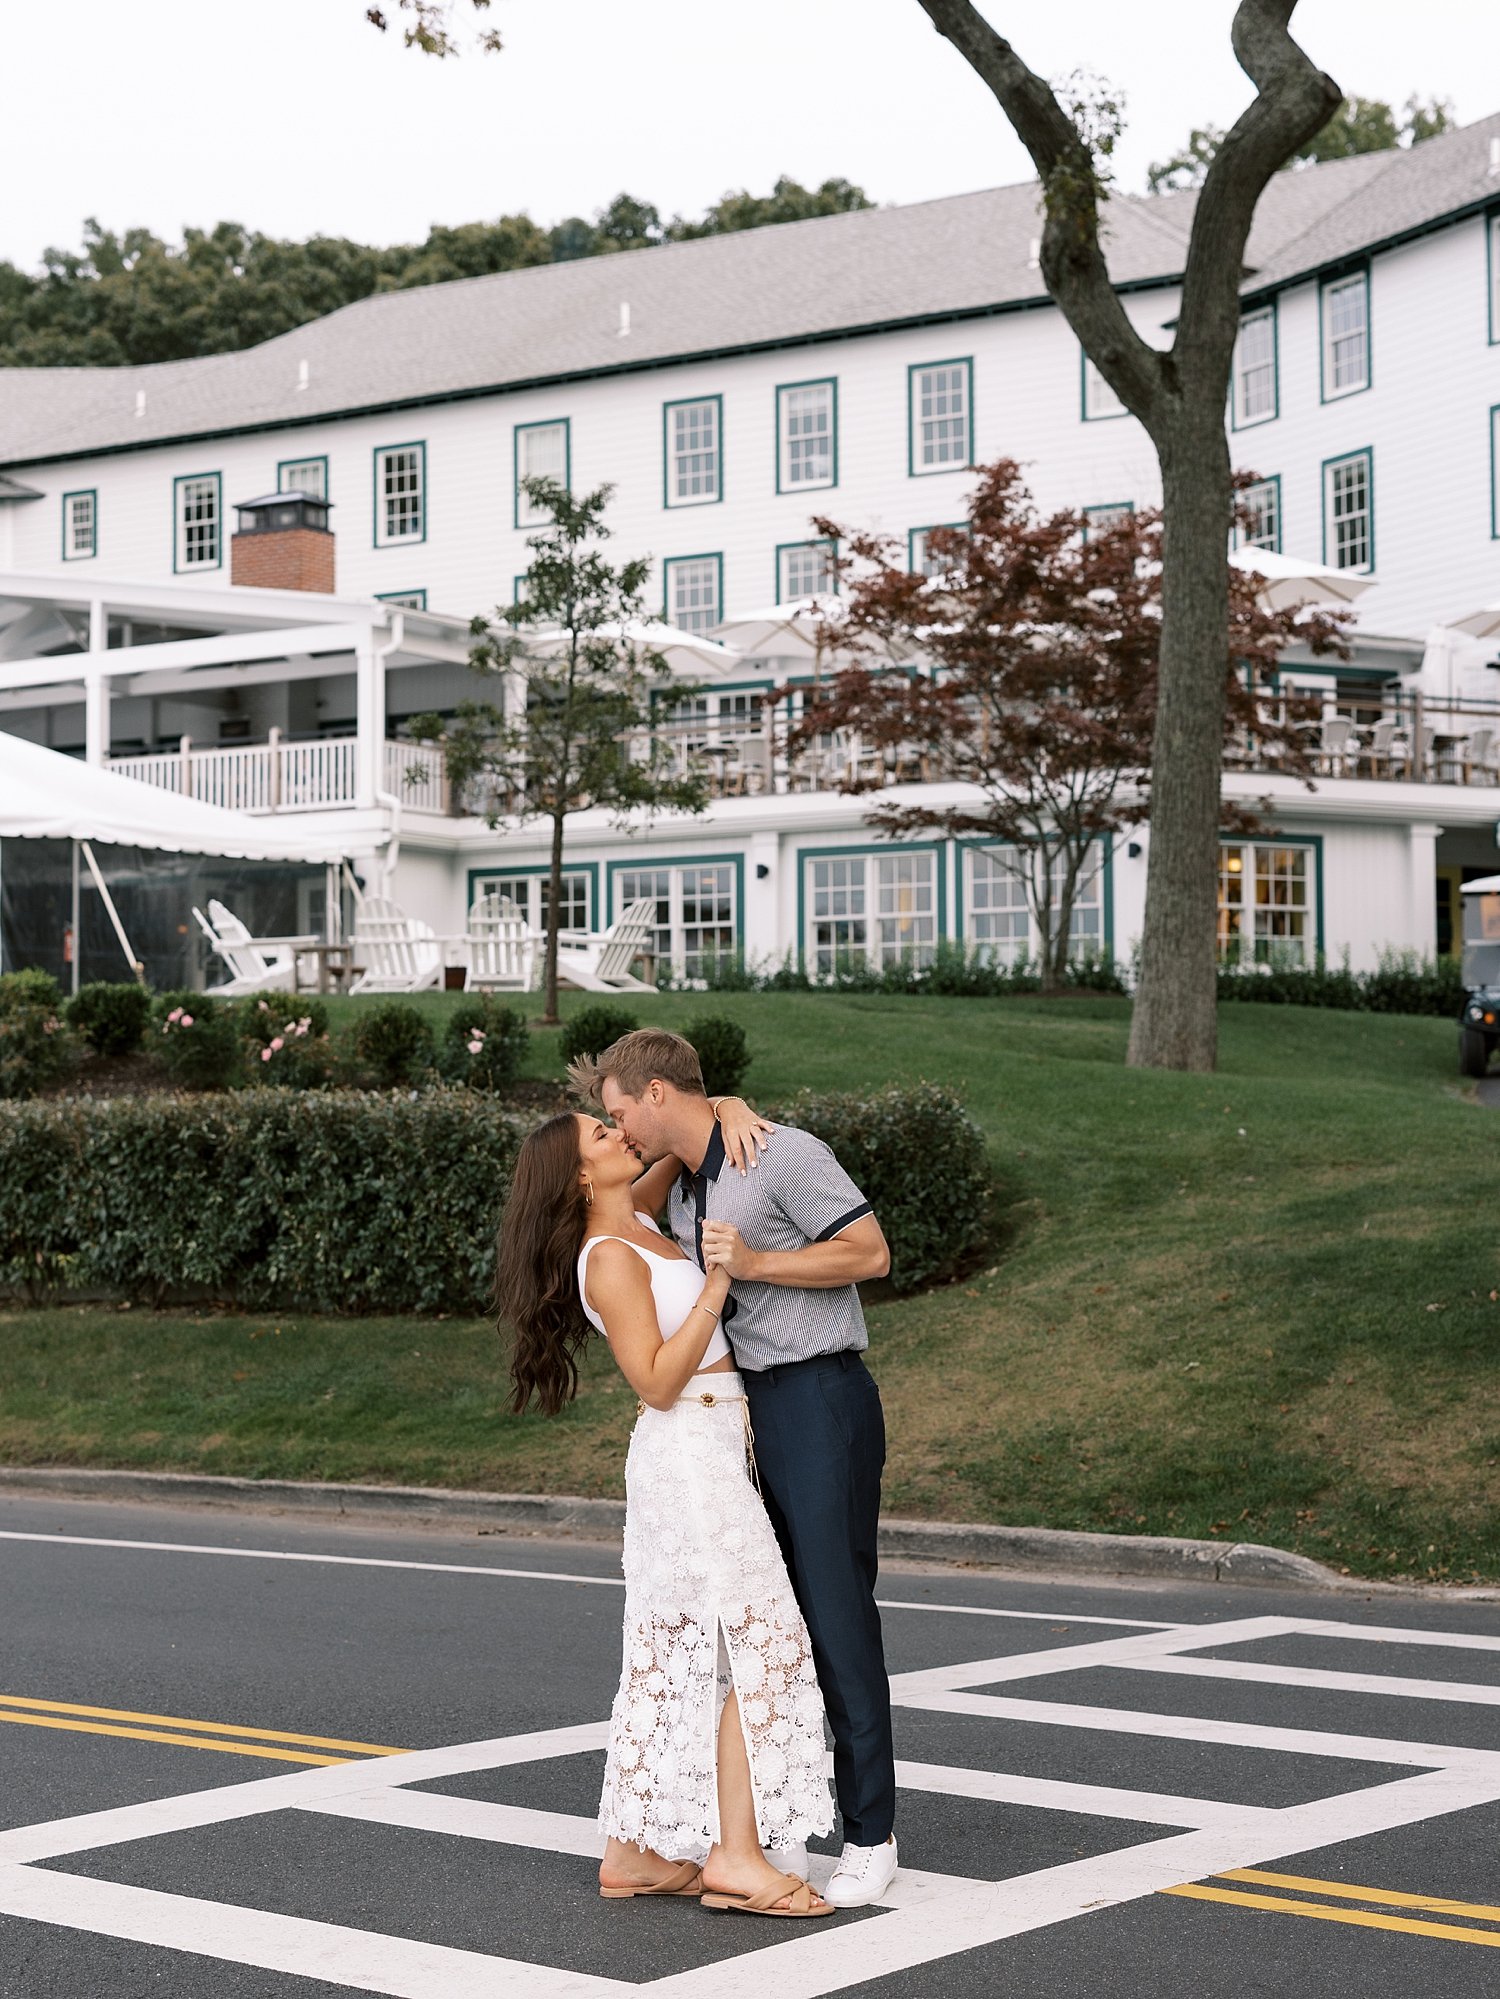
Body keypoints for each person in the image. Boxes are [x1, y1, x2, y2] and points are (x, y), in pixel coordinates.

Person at [571, 1029, 899, 1911]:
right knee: (764, 1623)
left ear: (655, 1094)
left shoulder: (784, 1154)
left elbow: (871, 1253)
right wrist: (712, 1117)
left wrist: (755, 1263)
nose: (616, 1126)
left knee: (831, 1611)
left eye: (618, 1111)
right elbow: (608, 1212)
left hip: (819, 1398)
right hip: (739, 1420)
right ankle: (746, 1835)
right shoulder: (673, 1185)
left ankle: (871, 1832)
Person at [495, 1101, 836, 1920]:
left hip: (713, 1445)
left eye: (610, 1121)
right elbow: (654, 1377)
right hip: (687, 1449)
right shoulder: (608, 1254)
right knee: (769, 1642)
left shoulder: (638, 1214)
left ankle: (637, 1855)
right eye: (600, 1135)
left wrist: (728, 1108)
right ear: (581, 1174)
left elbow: (686, 1145)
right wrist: (722, 1282)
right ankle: (737, 1860)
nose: (617, 1136)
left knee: (678, 1651)